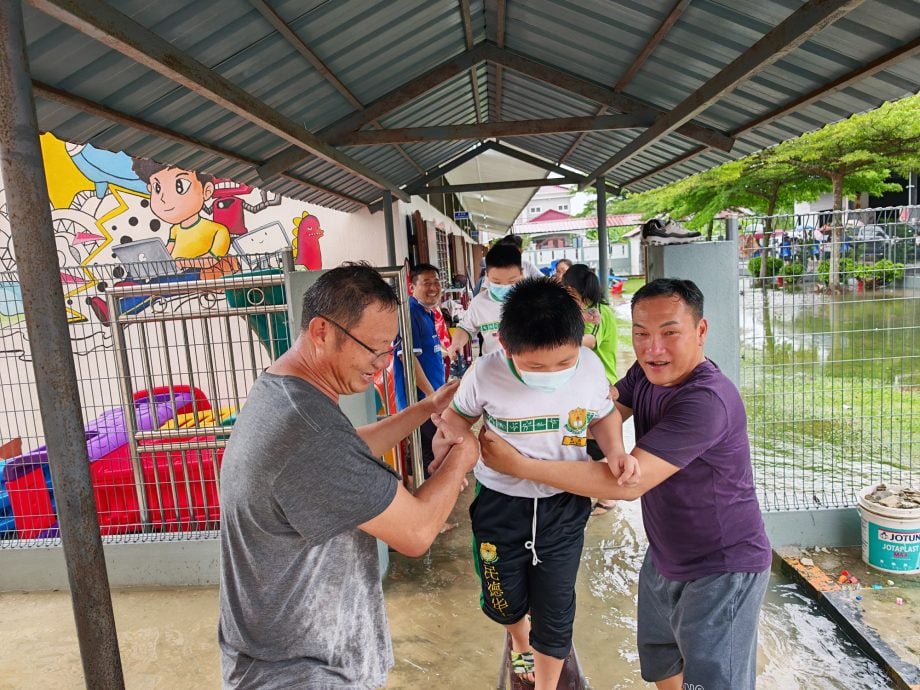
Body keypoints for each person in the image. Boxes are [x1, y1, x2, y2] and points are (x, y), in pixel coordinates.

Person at [478, 278, 771, 690]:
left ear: (701, 331)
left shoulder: (706, 400)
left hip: (721, 566)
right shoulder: (646, 375)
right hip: (665, 553)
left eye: (670, 333)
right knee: (662, 665)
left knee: (711, 683)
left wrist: (518, 463)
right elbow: (593, 414)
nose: (654, 349)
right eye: (641, 334)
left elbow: (625, 484)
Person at [218, 262, 480, 689]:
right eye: (373, 349)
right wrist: (463, 455)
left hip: (278, 661)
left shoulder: (285, 394)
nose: (382, 364)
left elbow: (346, 450)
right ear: (322, 332)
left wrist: (425, 408)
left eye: (390, 349)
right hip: (303, 673)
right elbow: (415, 532)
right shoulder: (309, 433)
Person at [439, 277, 639, 688]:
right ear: (507, 348)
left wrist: (616, 451)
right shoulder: (486, 372)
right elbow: (457, 420)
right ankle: (519, 641)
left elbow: (604, 416)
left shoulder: (588, 369)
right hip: (500, 501)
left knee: (556, 602)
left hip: (563, 504)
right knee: (503, 597)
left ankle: (545, 684)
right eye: (535, 366)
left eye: (562, 362)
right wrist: (457, 460)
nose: (552, 373)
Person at [561, 263, 620, 516]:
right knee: (580, 439)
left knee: (596, 444)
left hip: (601, 385)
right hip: (583, 386)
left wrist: (552, 338)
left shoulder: (599, 313)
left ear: (575, 290)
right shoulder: (582, 311)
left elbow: (590, 342)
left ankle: (609, 497)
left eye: (568, 290)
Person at [392, 263, 447, 477]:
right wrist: (433, 397)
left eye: (436, 282)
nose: (433, 287)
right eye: (426, 283)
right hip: (421, 403)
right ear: (412, 286)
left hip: (432, 400)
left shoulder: (427, 312)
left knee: (434, 454)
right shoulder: (409, 313)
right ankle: (428, 504)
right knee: (428, 458)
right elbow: (409, 360)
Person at [445, 243, 523, 360]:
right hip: (493, 369)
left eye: (512, 282)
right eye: (497, 282)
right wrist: (456, 343)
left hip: (528, 370)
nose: (504, 286)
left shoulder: (536, 300)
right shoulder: (479, 303)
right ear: (486, 275)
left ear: (521, 273)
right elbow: (465, 328)